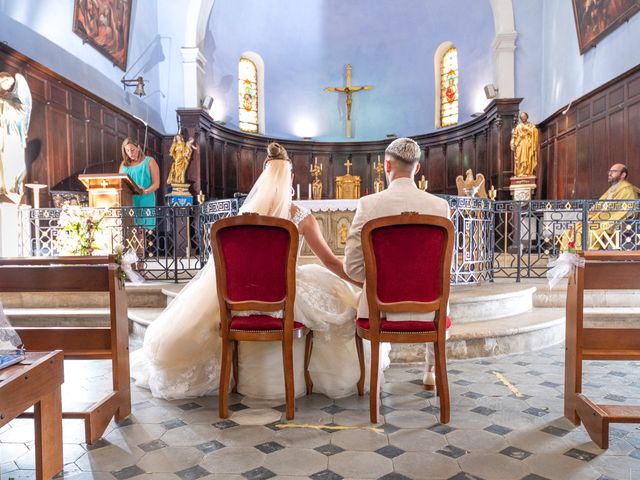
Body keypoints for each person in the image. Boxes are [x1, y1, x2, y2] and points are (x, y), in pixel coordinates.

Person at [132, 142, 388, 400]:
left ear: (263, 177)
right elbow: (331, 262)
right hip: (285, 293)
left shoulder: (242, 218)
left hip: (241, 294)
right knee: (340, 306)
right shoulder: (301, 217)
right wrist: (359, 281)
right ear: (291, 177)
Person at [343, 137, 450, 390]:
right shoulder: (440, 207)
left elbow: (352, 267)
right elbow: (444, 268)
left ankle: (370, 389)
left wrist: (378, 281)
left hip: (378, 312)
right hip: (431, 310)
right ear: (418, 168)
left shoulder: (368, 205)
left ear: (386, 166)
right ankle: (430, 373)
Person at [563, 163, 639, 250]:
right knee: (573, 229)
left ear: (623, 174)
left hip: (613, 222)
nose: (610, 173)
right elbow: (599, 206)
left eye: (614, 171)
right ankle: (570, 257)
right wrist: (591, 216)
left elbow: (628, 210)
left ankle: (586, 258)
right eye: (609, 171)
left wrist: (603, 219)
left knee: (587, 232)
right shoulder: (612, 189)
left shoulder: (627, 190)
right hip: (601, 219)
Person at [0, 72, 31, 204]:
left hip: (12, 134)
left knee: (14, 160)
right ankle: (4, 187)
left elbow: (22, 114)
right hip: (2, 134)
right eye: (4, 82)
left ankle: (12, 187)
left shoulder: (14, 98)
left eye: (9, 82)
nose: (7, 85)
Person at [119, 138, 160, 229]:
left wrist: (145, 191)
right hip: (128, 201)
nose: (130, 153)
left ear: (138, 148)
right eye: (127, 150)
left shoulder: (149, 161)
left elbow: (156, 184)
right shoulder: (123, 164)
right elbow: (119, 184)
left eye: (132, 150)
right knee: (130, 231)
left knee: (144, 232)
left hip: (145, 199)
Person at [510, 112, 539, 177]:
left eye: (524, 116)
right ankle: (520, 172)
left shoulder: (531, 125)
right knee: (520, 158)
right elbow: (514, 136)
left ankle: (527, 172)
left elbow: (535, 132)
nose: (523, 118)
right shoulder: (518, 126)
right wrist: (512, 143)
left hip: (528, 144)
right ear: (520, 118)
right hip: (520, 144)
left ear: (527, 117)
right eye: (522, 117)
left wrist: (528, 129)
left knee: (528, 158)